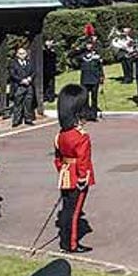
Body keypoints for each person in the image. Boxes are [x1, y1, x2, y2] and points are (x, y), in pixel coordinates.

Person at [53, 85, 95, 253]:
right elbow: (83, 160)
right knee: (75, 211)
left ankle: (65, 240)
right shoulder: (81, 137)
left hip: (65, 175)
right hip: (77, 177)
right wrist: (82, 177)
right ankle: (71, 244)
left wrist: (64, 171)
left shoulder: (60, 135)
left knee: (67, 209)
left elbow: (58, 159)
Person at [9, 46, 39, 127]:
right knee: (18, 104)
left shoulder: (29, 62)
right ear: (17, 55)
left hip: (29, 86)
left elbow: (34, 72)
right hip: (19, 86)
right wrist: (21, 80)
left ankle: (28, 119)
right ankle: (16, 121)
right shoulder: (13, 63)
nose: (22, 55)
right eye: (20, 53)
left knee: (28, 103)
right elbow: (12, 74)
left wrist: (30, 78)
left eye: (24, 53)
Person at [76, 39, 104, 119]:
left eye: (90, 44)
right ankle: (86, 114)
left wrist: (102, 77)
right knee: (85, 97)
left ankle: (93, 115)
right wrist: (76, 49)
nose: (89, 46)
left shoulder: (97, 56)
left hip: (95, 79)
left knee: (94, 98)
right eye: (87, 44)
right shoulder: (82, 55)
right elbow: (73, 58)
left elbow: (100, 67)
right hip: (85, 79)